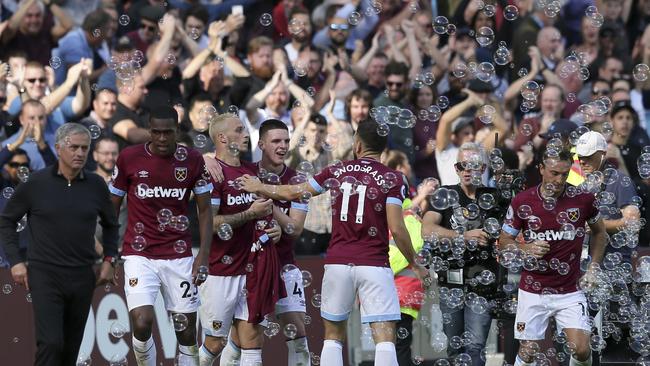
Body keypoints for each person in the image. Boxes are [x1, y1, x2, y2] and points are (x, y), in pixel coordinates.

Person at [239, 118, 430, 366]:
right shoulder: (393, 178)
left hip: (338, 262)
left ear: (357, 144)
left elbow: (296, 191)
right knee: (384, 338)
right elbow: (397, 227)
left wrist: (260, 186)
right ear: (382, 148)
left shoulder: (337, 171)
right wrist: (415, 263)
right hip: (374, 264)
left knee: (332, 336)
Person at [0, 123, 119, 365]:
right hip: (45, 275)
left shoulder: (96, 184)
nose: (79, 153)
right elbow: (6, 221)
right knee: (51, 343)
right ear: (58, 148)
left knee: (71, 348)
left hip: (83, 275)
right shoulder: (36, 183)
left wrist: (109, 258)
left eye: (84, 148)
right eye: (73, 147)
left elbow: (111, 224)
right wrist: (16, 261)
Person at [109, 106, 214, 366]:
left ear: (177, 131)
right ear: (149, 131)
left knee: (187, 331)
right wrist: (109, 254)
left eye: (168, 132)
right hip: (138, 253)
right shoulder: (128, 158)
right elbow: (110, 208)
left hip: (178, 255)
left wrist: (203, 255)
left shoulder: (192, 160)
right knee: (142, 322)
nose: (162, 138)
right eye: (156, 132)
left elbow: (205, 211)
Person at [499, 149, 608, 366]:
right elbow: (503, 241)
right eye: (554, 173)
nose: (559, 180)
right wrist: (525, 248)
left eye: (564, 174)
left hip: (570, 289)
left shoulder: (583, 199)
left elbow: (600, 233)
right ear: (540, 169)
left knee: (582, 349)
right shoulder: (522, 201)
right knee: (528, 351)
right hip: (533, 289)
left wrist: (593, 266)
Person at [198, 113, 281, 366]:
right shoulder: (213, 174)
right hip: (220, 271)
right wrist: (249, 214)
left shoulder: (251, 173)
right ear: (222, 138)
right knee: (215, 342)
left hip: (253, 268)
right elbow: (209, 224)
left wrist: (273, 228)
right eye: (239, 130)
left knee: (253, 340)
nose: (246, 135)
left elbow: (264, 212)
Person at [422, 142, 501, 366]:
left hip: (482, 282)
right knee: (454, 346)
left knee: (475, 345)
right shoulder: (445, 194)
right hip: (451, 282)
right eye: (461, 165)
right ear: (456, 168)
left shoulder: (495, 198)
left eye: (473, 165)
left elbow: (512, 231)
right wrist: (462, 236)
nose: (466, 170)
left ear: (483, 168)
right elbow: (426, 230)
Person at [574, 131, 641, 262]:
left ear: (603, 154)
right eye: (580, 156)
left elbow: (633, 223)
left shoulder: (620, 181)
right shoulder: (582, 185)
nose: (582, 161)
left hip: (614, 264)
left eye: (588, 156)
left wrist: (598, 225)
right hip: (587, 263)